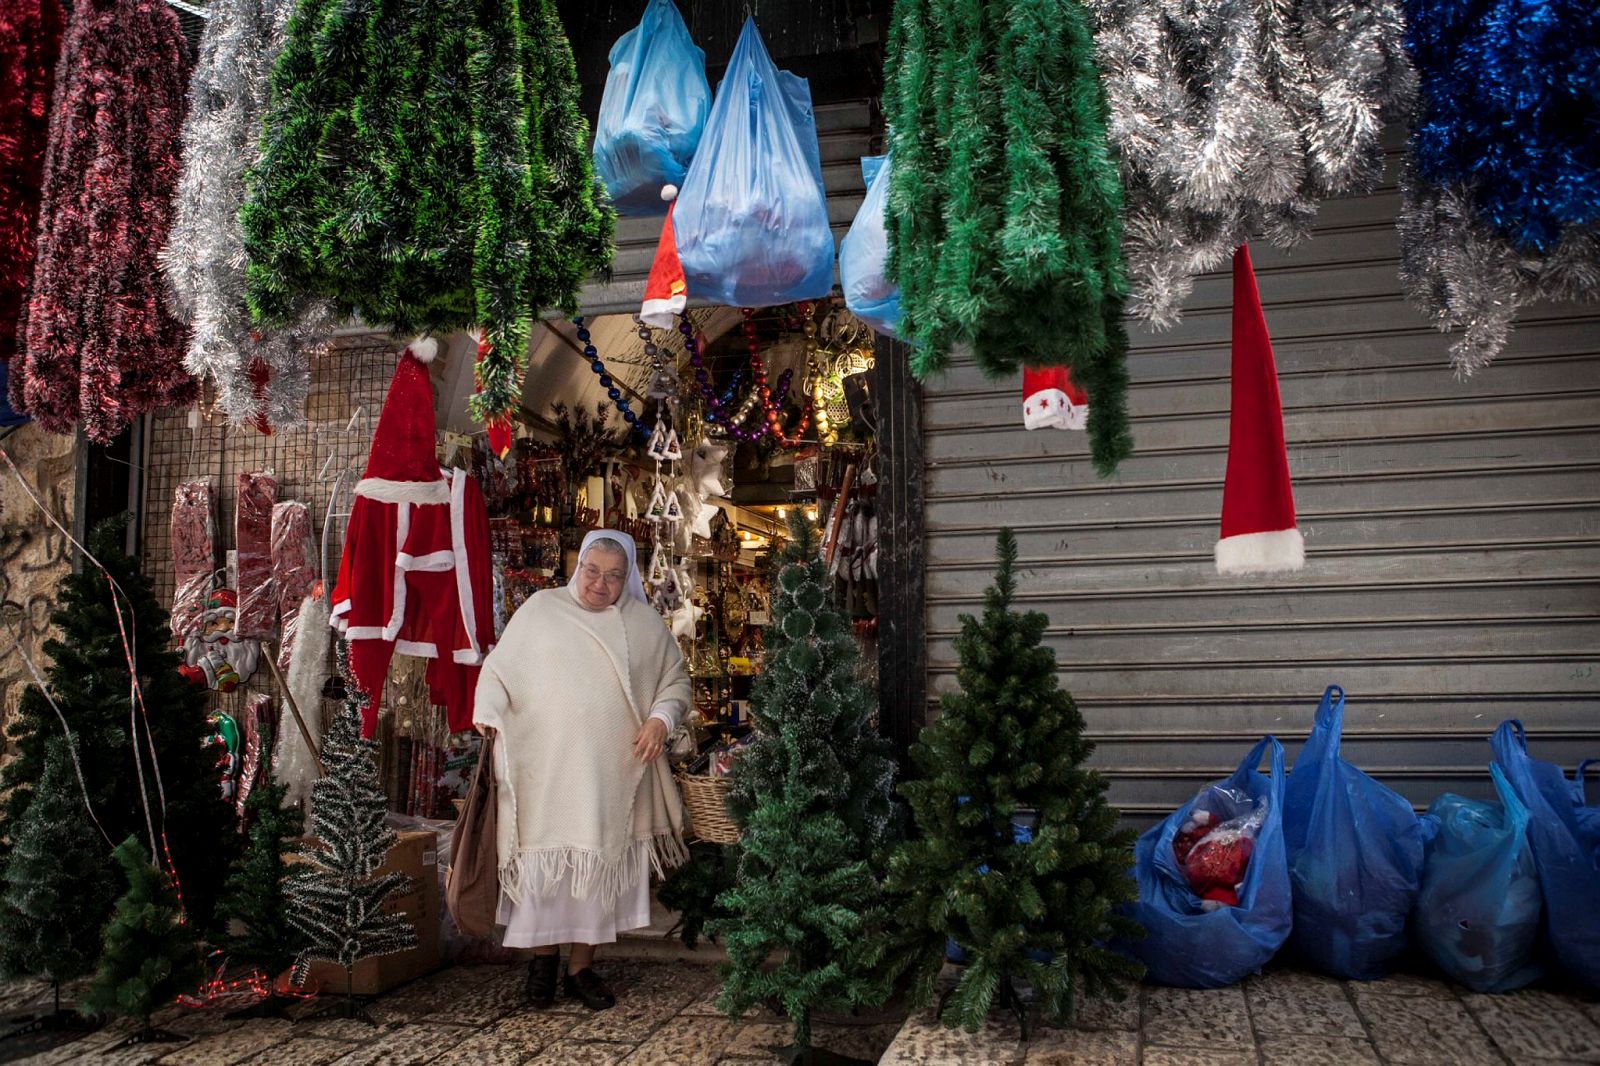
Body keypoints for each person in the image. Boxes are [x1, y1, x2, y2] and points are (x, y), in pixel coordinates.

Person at [472, 530, 692, 1010]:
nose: (600, 583)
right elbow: (499, 670)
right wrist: (487, 712)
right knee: (544, 872)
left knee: (596, 875)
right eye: (592, 571)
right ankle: (542, 961)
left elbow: (676, 681)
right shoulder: (540, 610)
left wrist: (661, 718)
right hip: (545, 773)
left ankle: (580, 969)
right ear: (578, 567)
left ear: (627, 578)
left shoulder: (644, 624)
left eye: (614, 576)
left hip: (610, 777)